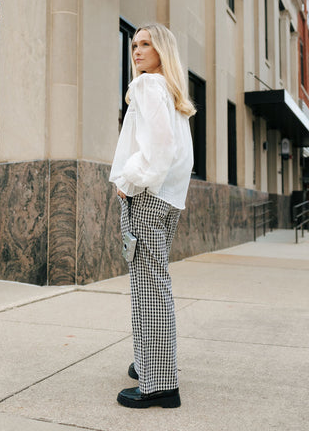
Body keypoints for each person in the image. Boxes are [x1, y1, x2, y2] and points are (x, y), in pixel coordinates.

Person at [109, 23, 195, 408]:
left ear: (163, 49)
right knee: (154, 285)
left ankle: (159, 384)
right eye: (134, 44)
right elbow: (180, 153)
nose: (137, 51)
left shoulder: (147, 86)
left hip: (146, 196)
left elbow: (159, 147)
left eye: (146, 44)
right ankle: (151, 362)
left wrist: (130, 179)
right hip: (168, 199)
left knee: (148, 291)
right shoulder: (172, 91)